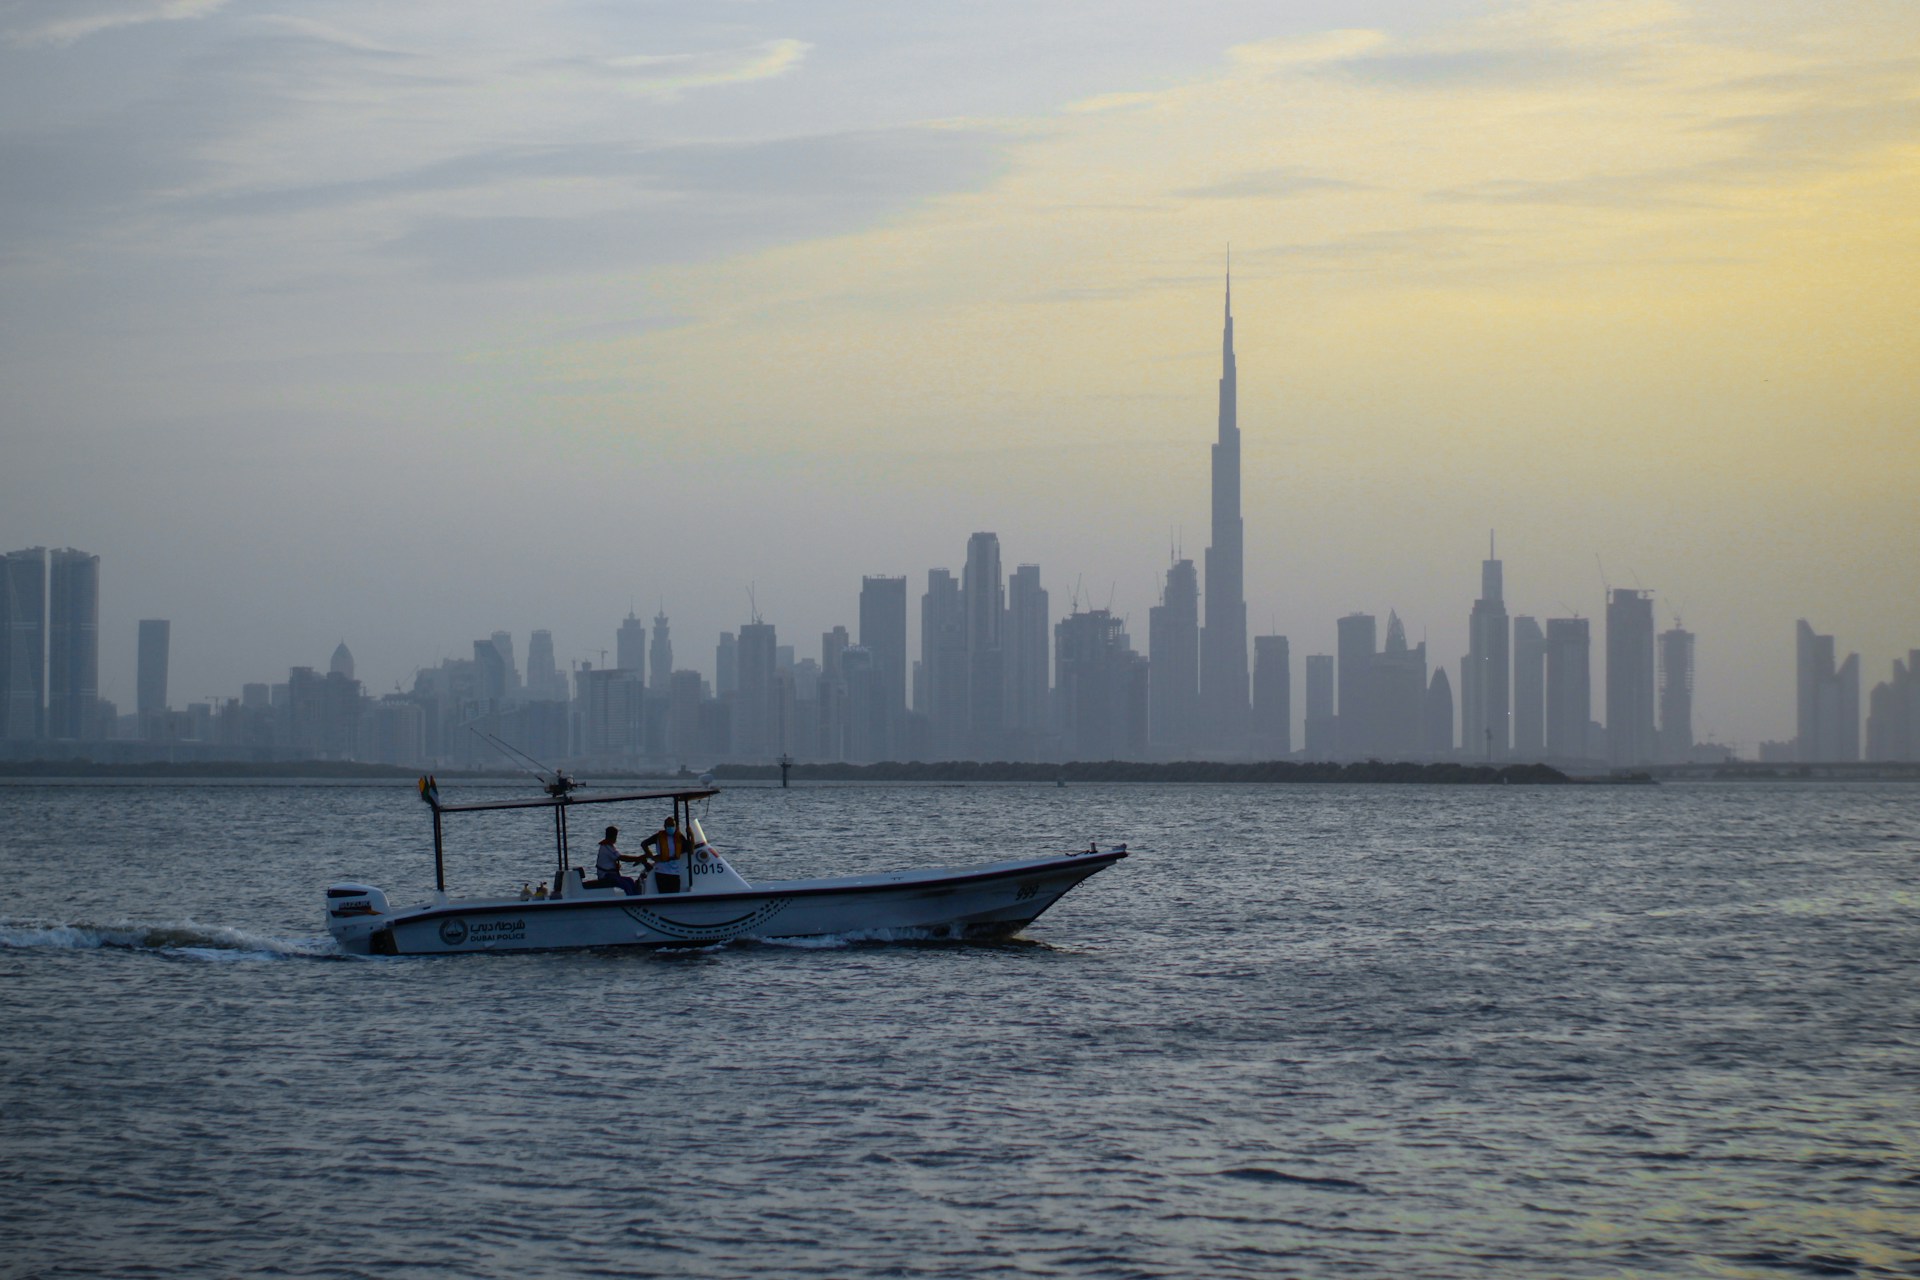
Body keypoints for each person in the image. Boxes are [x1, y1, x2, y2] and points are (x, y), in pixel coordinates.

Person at [640, 815, 690, 894]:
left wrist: (691, 835)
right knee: (664, 895)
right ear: (665, 826)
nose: (670, 827)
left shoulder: (679, 837)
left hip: (675, 872)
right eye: (668, 825)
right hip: (662, 872)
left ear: (675, 826)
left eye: (672, 825)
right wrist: (651, 856)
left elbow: (690, 848)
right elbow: (644, 844)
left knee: (675, 896)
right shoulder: (658, 836)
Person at [592, 825, 645, 893]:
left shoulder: (610, 846)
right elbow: (620, 857)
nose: (616, 838)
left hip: (611, 874)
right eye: (615, 836)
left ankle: (635, 896)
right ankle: (631, 898)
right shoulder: (606, 847)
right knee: (625, 884)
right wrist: (637, 858)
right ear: (613, 836)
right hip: (605, 875)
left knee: (630, 880)